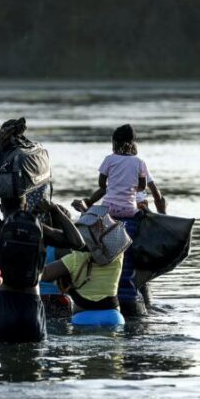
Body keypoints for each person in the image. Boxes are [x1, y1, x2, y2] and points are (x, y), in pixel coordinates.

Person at [0, 119, 84, 343]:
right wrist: (55, 210)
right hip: (31, 307)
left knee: (2, 371)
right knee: (34, 371)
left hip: (4, 307)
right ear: (27, 204)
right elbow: (78, 242)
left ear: (2, 206)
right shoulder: (38, 228)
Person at [72, 124, 167, 315]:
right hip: (131, 215)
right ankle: (136, 298)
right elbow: (155, 194)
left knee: (104, 255)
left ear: (114, 143)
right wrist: (162, 219)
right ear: (133, 143)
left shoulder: (109, 161)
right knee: (131, 259)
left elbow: (103, 186)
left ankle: (101, 295)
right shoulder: (139, 162)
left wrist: (88, 204)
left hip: (109, 215)